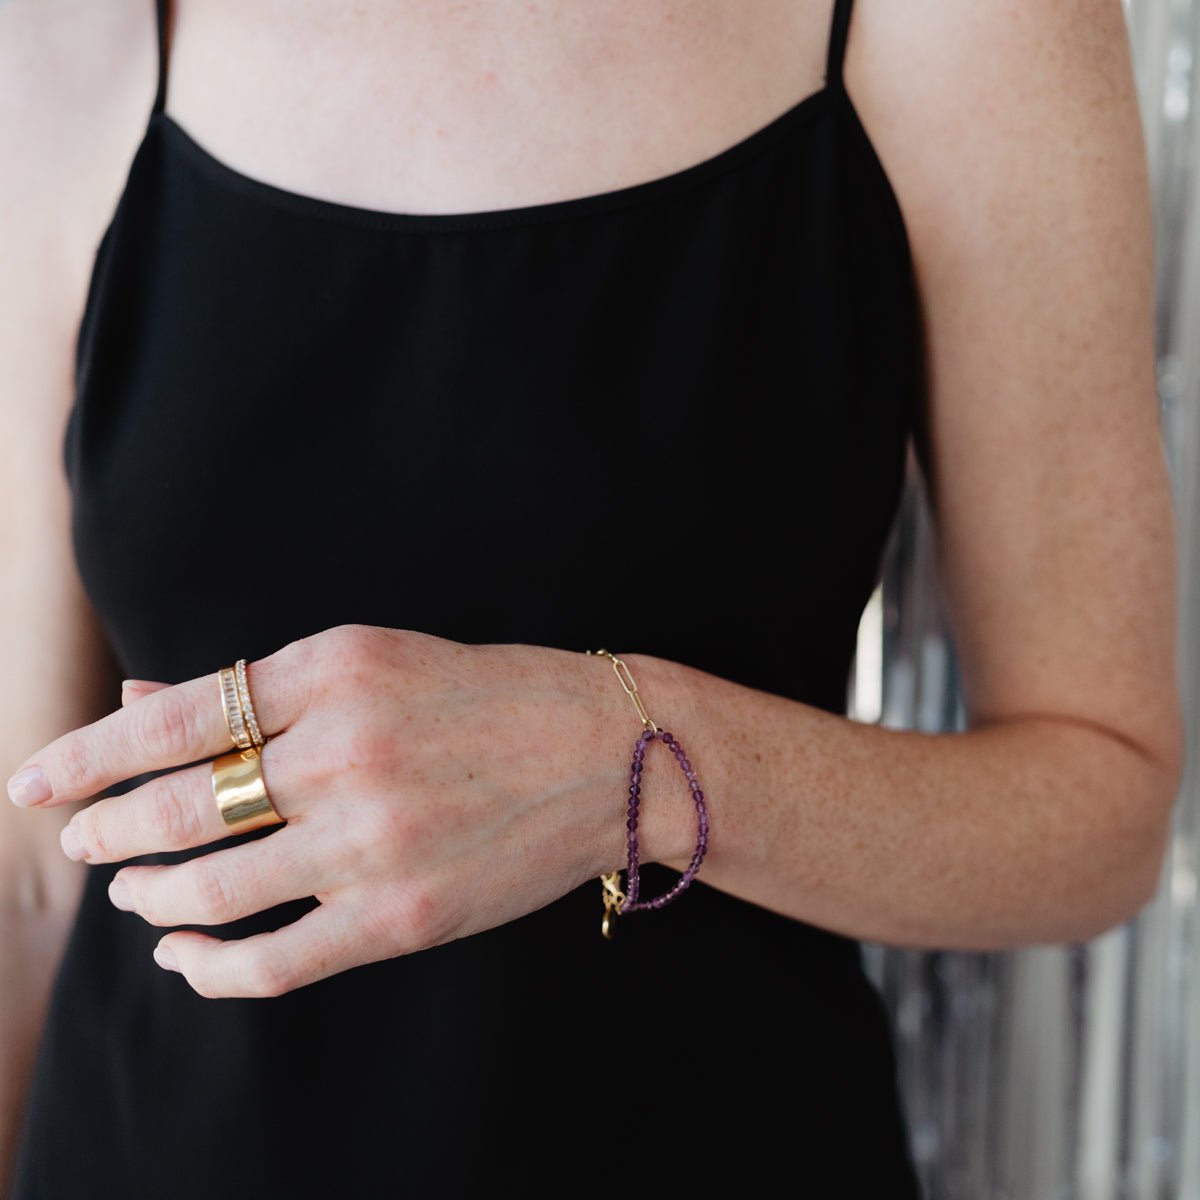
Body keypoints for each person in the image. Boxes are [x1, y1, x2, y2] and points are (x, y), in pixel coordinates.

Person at [1, 0, 1183, 1195]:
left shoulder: (960, 23)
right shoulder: (67, 34)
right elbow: (30, 866)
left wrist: (620, 762)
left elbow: (1106, 808)